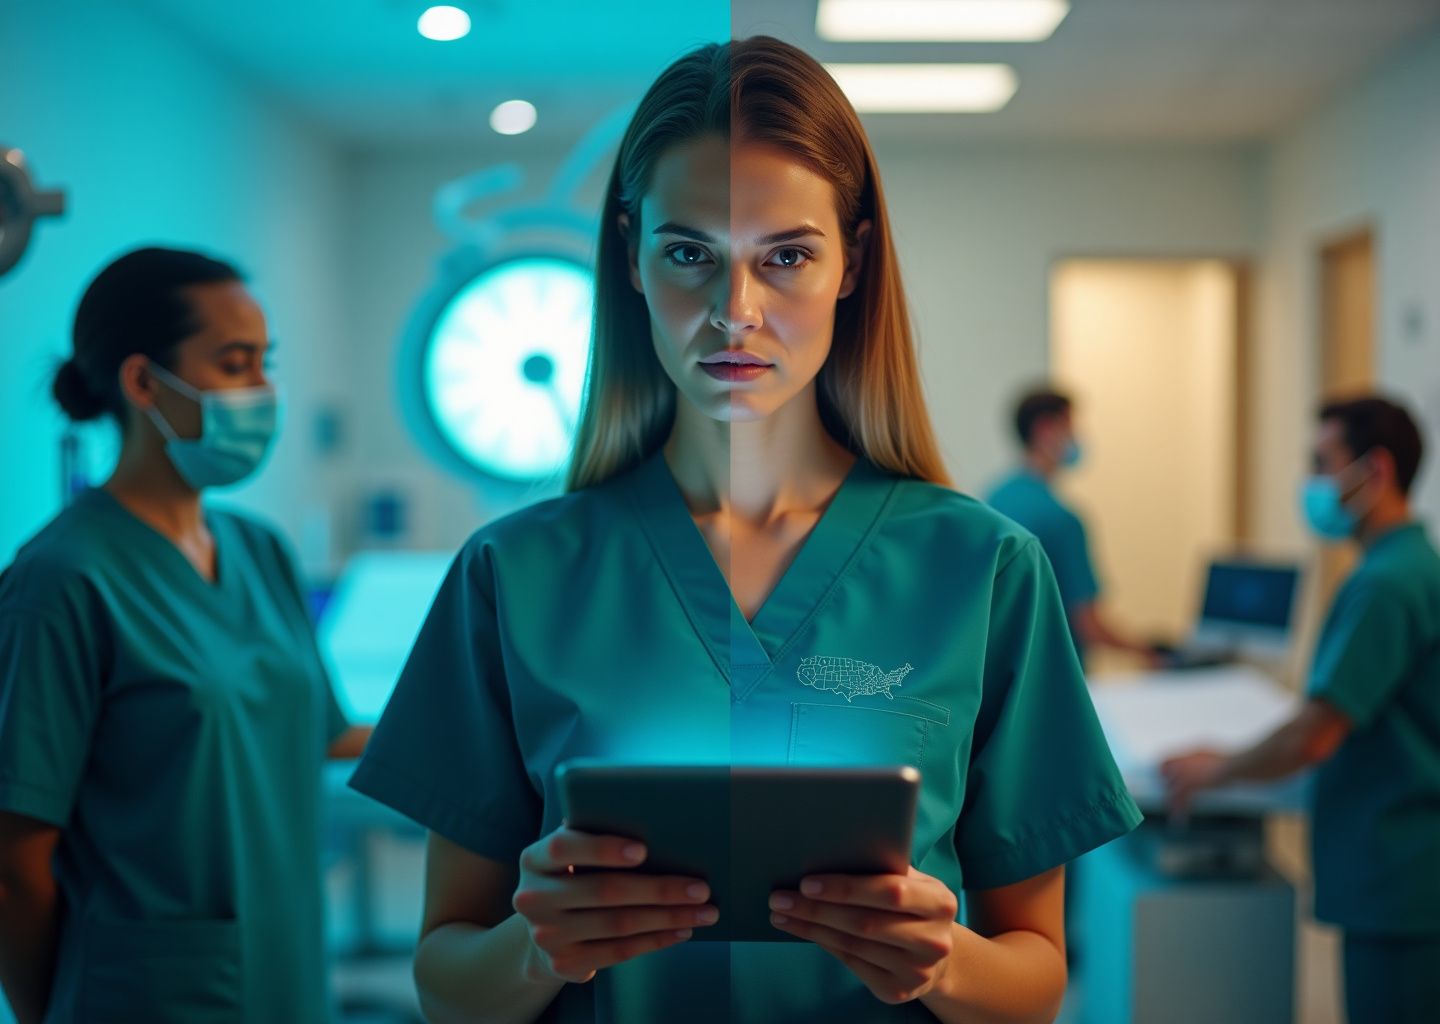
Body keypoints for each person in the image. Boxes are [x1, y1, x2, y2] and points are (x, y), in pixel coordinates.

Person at [349, 38, 1141, 1023]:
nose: (736, 312)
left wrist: (945, 962)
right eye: (690, 254)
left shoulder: (981, 569)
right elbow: (446, 979)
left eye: (788, 256)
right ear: (631, 257)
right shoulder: (513, 573)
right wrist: (535, 949)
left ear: (852, 263)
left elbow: (1036, 979)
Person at [0, 247, 370, 1024]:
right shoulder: (63, 580)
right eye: (235, 365)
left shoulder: (259, 549)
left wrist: (505, 717)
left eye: (264, 363)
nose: (263, 393)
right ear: (142, 383)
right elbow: (15, 860)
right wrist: (44, 1012)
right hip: (144, 996)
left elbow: (320, 731)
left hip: (289, 971)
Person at [1162, 395, 1440, 1024]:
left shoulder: (1387, 585)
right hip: (1401, 869)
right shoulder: (1406, 568)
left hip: (1400, 878)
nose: (1311, 483)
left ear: (1376, 470)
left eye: (1322, 462)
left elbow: (1315, 734)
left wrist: (1217, 769)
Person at [986, 389, 1159, 667]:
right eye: (1070, 426)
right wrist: (1148, 652)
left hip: (1000, 676)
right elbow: (1087, 623)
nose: (1077, 437)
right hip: (1052, 680)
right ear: (1045, 430)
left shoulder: (994, 499)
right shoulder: (1060, 519)